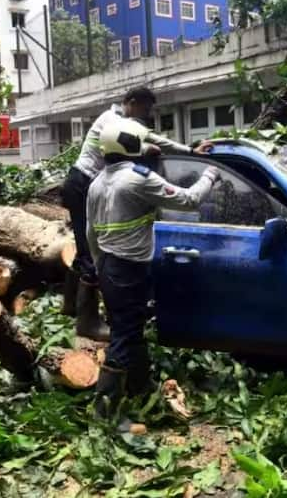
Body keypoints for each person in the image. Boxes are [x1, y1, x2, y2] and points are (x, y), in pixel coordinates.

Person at [86, 118, 220, 415]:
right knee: (124, 336)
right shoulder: (138, 178)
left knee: (131, 330)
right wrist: (211, 173)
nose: (143, 146)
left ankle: (140, 389)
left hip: (109, 265)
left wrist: (100, 267)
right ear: (128, 146)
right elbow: (189, 200)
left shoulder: (97, 182)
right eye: (138, 142)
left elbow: (89, 233)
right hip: (128, 269)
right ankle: (105, 412)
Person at [61, 87, 205, 341]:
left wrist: (149, 149)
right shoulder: (113, 121)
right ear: (131, 102)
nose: (146, 115)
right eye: (145, 109)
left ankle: (70, 307)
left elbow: (144, 145)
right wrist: (192, 152)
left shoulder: (120, 123)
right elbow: (156, 140)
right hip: (83, 183)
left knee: (85, 249)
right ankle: (87, 323)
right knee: (87, 255)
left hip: (86, 183)